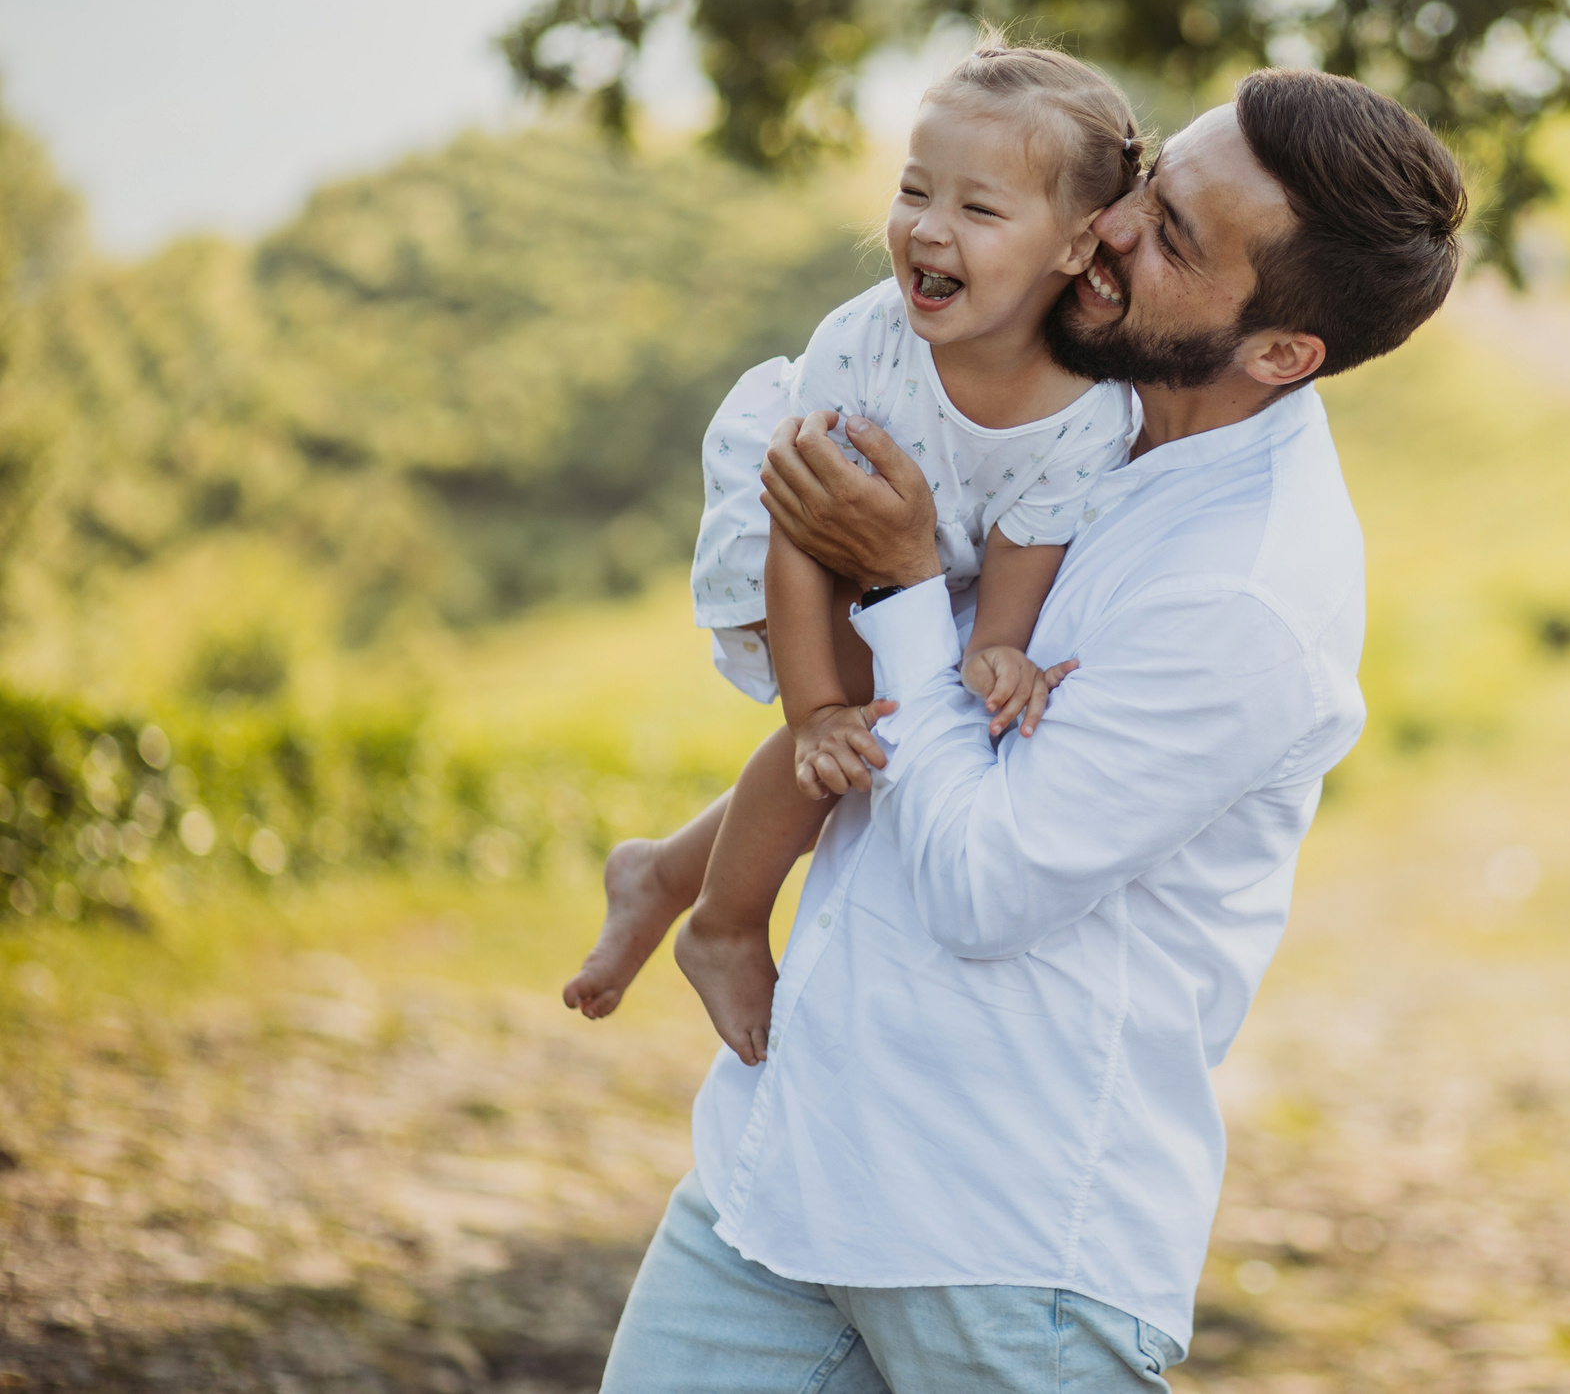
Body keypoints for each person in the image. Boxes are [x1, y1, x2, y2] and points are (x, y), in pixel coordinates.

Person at [595, 68, 1467, 1392]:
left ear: (1281, 349)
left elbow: (986, 883)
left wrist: (894, 585)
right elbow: (889, 728)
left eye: (1173, 235)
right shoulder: (1066, 392)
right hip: (783, 1178)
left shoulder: (1242, 592)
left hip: (1006, 1249)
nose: (1112, 227)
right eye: (1149, 183)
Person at [561, 42, 1145, 1065]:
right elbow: (805, 525)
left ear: (1076, 246)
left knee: (906, 718)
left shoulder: (1091, 413)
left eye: (978, 209)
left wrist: (997, 648)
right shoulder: (868, 345)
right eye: (914, 190)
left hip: (912, 553)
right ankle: (723, 923)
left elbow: (1026, 539)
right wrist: (810, 708)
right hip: (791, 529)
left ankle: (662, 875)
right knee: (855, 732)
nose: (927, 226)